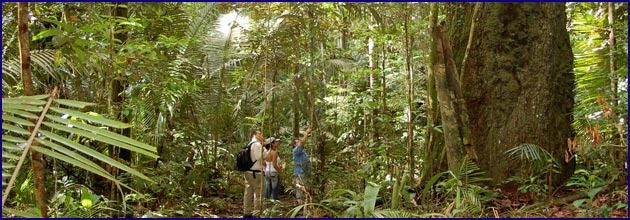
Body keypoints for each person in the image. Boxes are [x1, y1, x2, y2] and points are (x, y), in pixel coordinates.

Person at [242, 130, 268, 217]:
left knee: (248, 192)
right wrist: (263, 147)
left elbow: (263, 156)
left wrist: (263, 148)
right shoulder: (257, 144)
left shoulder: (250, 144)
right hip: (256, 173)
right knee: (258, 193)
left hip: (248, 171)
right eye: (260, 133)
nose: (261, 135)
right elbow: (258, 157)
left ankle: (247, 212)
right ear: (255, 135)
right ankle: (257, 213)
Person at [292, 127, 312, 204]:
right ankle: (299, 203)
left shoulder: (303, 152)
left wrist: (309, 173)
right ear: (294, 144)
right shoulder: (296, 150)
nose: (300, 142)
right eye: (298, 142)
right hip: (299, 173)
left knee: (304, 189)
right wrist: (306, 133)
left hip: (304, 173)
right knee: (300, 189)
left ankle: (303, 204)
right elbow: (302, 143)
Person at [262, 137, 284, 203]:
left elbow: (263, 162)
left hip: (267, 173)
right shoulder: (274, 152)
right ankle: (274, 206)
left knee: (267, 190)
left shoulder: (266, 152)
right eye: (275, 142)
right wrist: (281, 172)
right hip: (274, 173)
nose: (277, 143)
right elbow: (274, 164)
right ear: (272, 144)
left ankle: (265, 206)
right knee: (274, 190)